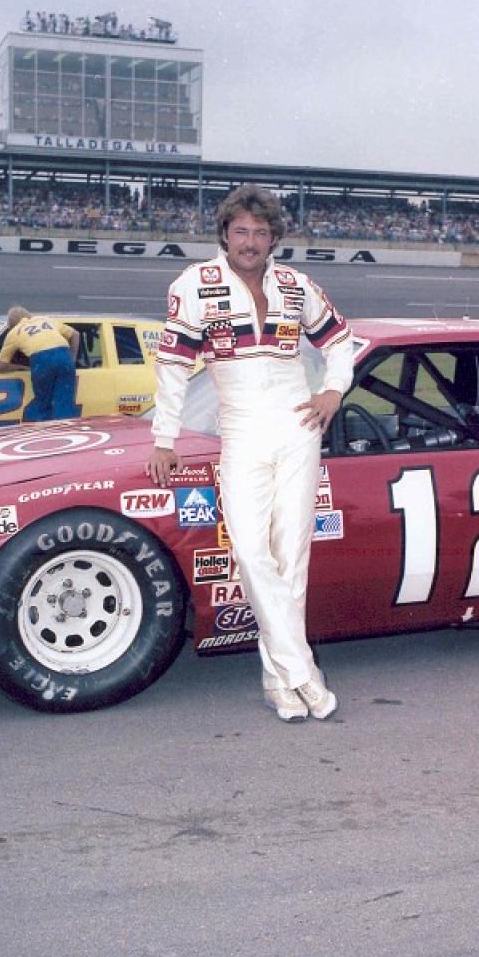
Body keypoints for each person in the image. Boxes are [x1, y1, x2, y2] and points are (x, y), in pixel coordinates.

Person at [145, 184, 354, 723]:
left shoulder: (296, 284)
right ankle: (302, 671)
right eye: (241, 231)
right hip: (240, 429)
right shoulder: (194, 284)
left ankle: (279, 683)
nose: (251, 242)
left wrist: (332, 391)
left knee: (291, 556)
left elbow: (339, 340)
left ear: (273, 238)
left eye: (261, 233)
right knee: (250, 551)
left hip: (298, 425)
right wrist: (164, 439)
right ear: (224, 234)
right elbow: (173, 366)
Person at [0, 305, 81, 421]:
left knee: (43, 403)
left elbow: (0, 367)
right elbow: (75, 334)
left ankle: (43, 429)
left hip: (42, 361)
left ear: (12, 324)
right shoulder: (46, 320)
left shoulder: (15, 332)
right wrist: (72, 359)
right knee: (65, 402)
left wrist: (23, 367)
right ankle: (65, 428)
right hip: (64, 357)